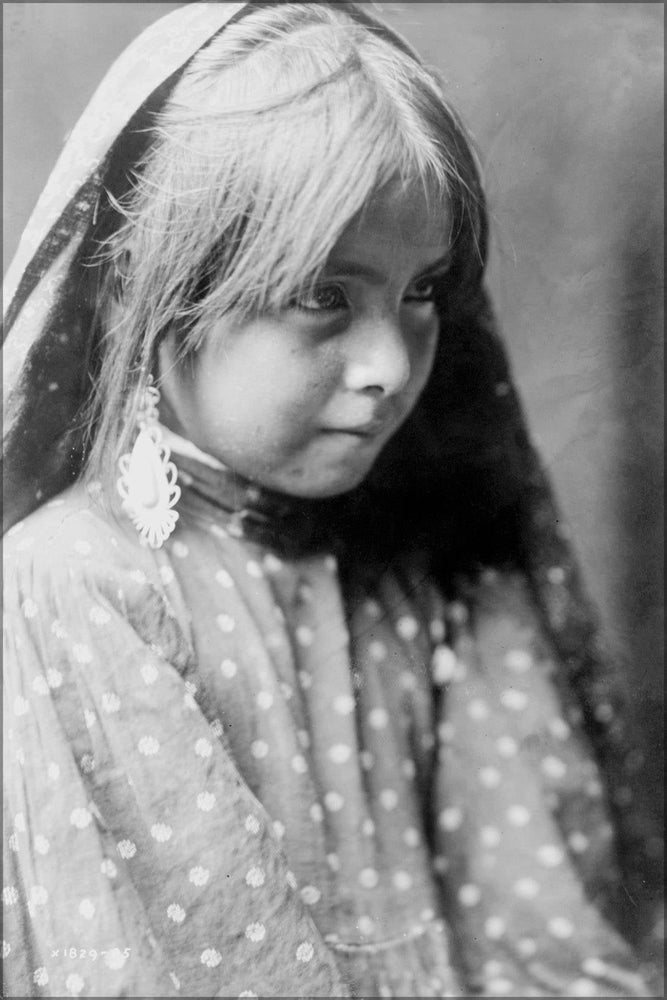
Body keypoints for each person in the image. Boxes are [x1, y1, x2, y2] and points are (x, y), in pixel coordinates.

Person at [2, 2, 663, 997]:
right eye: (325, 297)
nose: (390, 364)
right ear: (166, 288)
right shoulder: (81, 586)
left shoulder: (428, 562)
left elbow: (542, 933)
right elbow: (208, 965)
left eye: (422, 293)